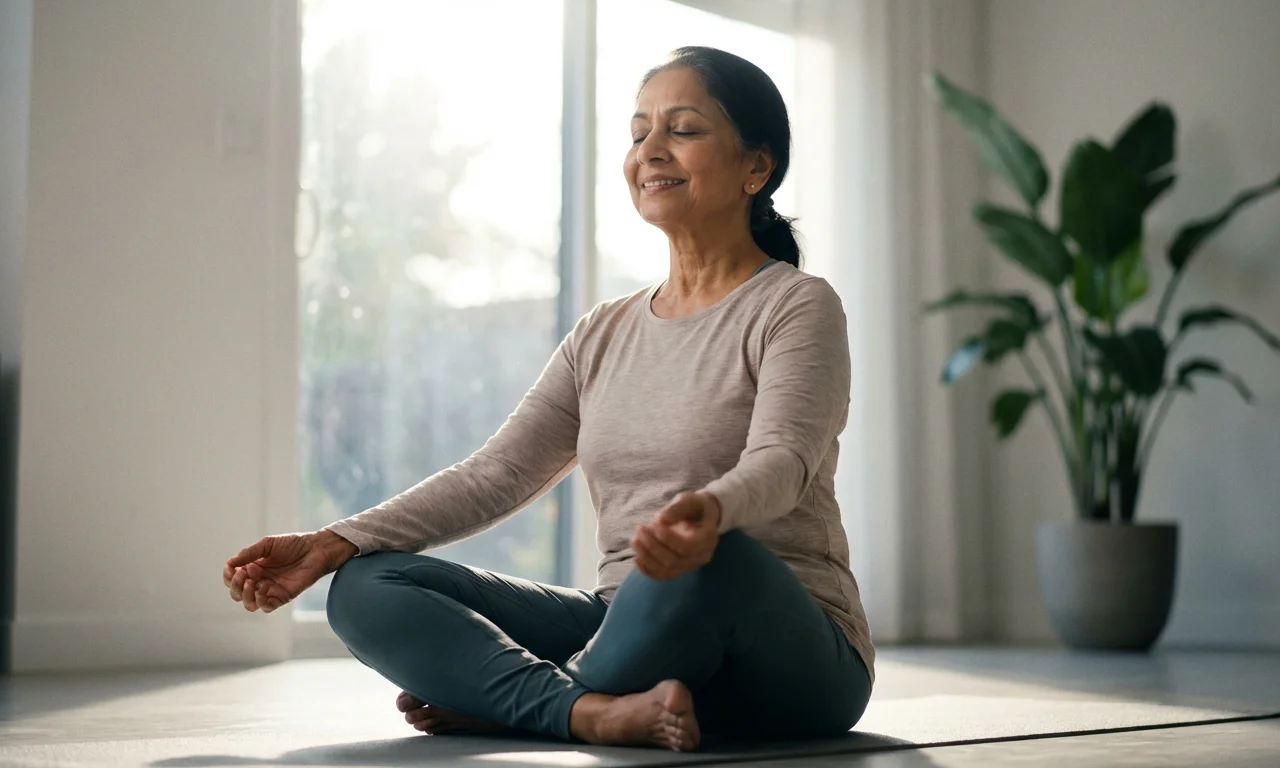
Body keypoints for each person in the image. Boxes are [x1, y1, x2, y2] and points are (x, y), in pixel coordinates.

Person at [222, 46, 872, 752]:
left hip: (789, 651)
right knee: (367, 584)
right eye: (637, 132)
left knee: (717, 558)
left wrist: (710, 512)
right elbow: (495, 475)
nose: (650, 150)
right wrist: (334, 541)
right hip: (623, 625)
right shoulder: (604, 331)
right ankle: (591, 709)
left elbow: (785, 460)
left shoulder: (794, 306)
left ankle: (526, 701)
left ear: (757, 166)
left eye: (682, 130)